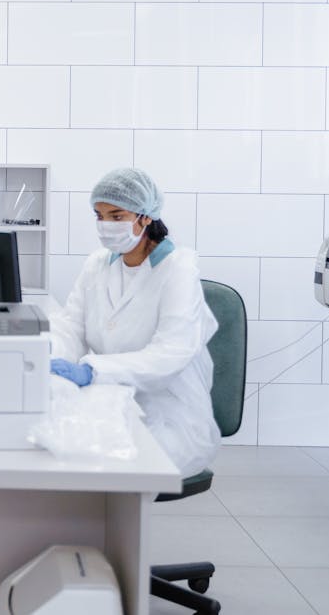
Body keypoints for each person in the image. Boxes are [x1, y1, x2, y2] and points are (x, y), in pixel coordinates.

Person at [48, 167, 220, 477]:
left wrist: (93, 371)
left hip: (169, 414)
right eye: (99, 216)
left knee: (102, 463)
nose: (105, 226)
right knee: (55, 445)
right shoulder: (96, 265)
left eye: (116, 216)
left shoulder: (178, 270)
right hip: (109, 399)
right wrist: (50, 357)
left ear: (145, 217)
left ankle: (115, 526)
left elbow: (171, 354)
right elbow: (70, 327)